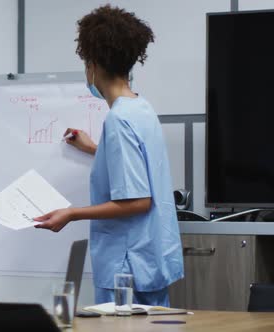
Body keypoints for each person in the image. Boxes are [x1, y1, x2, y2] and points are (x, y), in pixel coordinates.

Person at [34, 5, 183, 306]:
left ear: (93, 64)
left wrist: (71, 213)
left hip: (126, 270)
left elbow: (138, 201)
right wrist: (93, 149)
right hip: (149, 260)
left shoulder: (118, 120)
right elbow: (141, 168)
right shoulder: (141, 109)